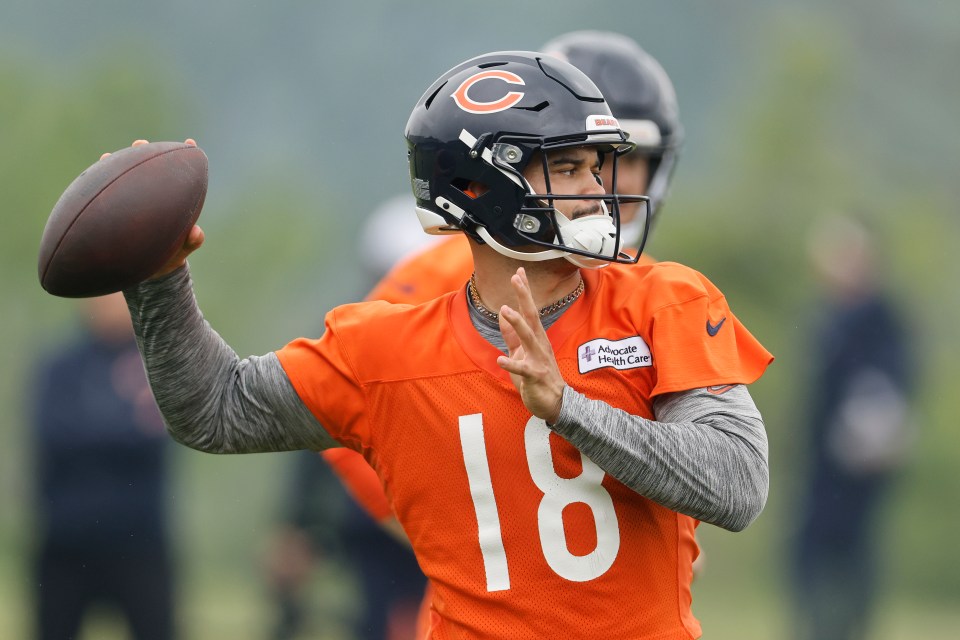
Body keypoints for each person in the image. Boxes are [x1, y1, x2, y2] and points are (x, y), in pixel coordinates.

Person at [118, 49, 772, 638]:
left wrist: (568, 409)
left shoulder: (663, 301)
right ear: (478, 187)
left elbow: (738, 484)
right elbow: (213, 408)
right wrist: (157, 276)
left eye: (598, 166)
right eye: (568, 168)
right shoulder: (383, 348)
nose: (596, 190)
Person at [264, 195, 431, 640]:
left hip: (445, 524)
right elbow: (314, 433)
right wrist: (296, 526)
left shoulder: (459, 347)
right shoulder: (355, 347)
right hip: (373, 532)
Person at [790, 213, 916, 640]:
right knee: (807, 550)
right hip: (821, 461)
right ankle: (816, 627)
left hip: (859, 462)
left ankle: (848, 628)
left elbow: (894, 383)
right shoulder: (828, 315)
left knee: (854, 551)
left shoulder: (881, 316)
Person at [30, 292, 176, 640]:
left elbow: (162, 434)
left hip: (139, 541)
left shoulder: (155, 365)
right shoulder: (59, 367)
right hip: (67, 541)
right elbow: (53, 436)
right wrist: (127, 423)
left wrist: (94, 427)